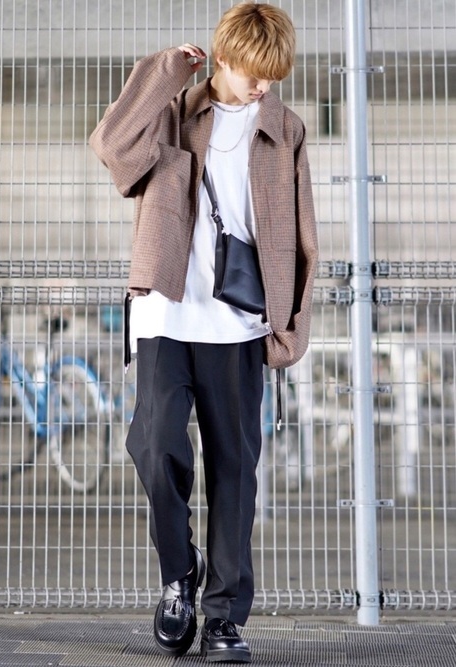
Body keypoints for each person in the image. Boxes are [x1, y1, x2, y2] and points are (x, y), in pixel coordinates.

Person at [89, 1, 318, 662]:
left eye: (274, 75)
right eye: (253, 72)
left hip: (239, 323)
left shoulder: (285, 129)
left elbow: (304, 236)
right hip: (165, 312)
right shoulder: (171, 114)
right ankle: (178, 574)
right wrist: (164, 73)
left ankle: (222, 618)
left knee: (234, 470)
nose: (264, 85)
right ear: (223, 58)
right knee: (154, 445)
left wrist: (291, 324)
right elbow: (110, 146)